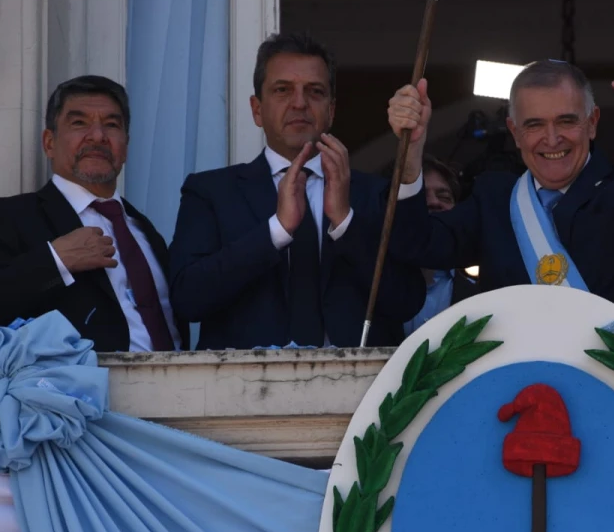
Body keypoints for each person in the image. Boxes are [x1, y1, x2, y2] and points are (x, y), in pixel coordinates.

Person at [385, 35, 614, 323]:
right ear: (515, 132)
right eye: (534, 125)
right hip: (517, 379)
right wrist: (411, 149)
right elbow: (416, 243)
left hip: (609, 379)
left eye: (566, 121)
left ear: (592, 122)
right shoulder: (493, 200)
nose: (552, 138)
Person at [168, 33, 424, 349]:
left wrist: (345, 222)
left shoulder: (375, 193)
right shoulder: (210, 192)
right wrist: (277, 230)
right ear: (257, 109)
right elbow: (187, 299)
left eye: (314, 92)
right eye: (282, 90)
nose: (299, 103)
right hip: (244, 391)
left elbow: (407, 301)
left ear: (331, 110)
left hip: (360, 391)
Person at [0, 76, 186, 353]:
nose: (98, 136)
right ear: (49, 142)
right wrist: (56, 260)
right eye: (79, 123)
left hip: (184, 388)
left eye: (111, 124)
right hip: (80, 392)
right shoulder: (9, 216)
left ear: (126, 146)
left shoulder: (145, 231)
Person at [401, 157, 480, 334]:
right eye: (419, 196)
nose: (434, 202)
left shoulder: (481, 292)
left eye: (444, 197)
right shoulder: (371, 289)